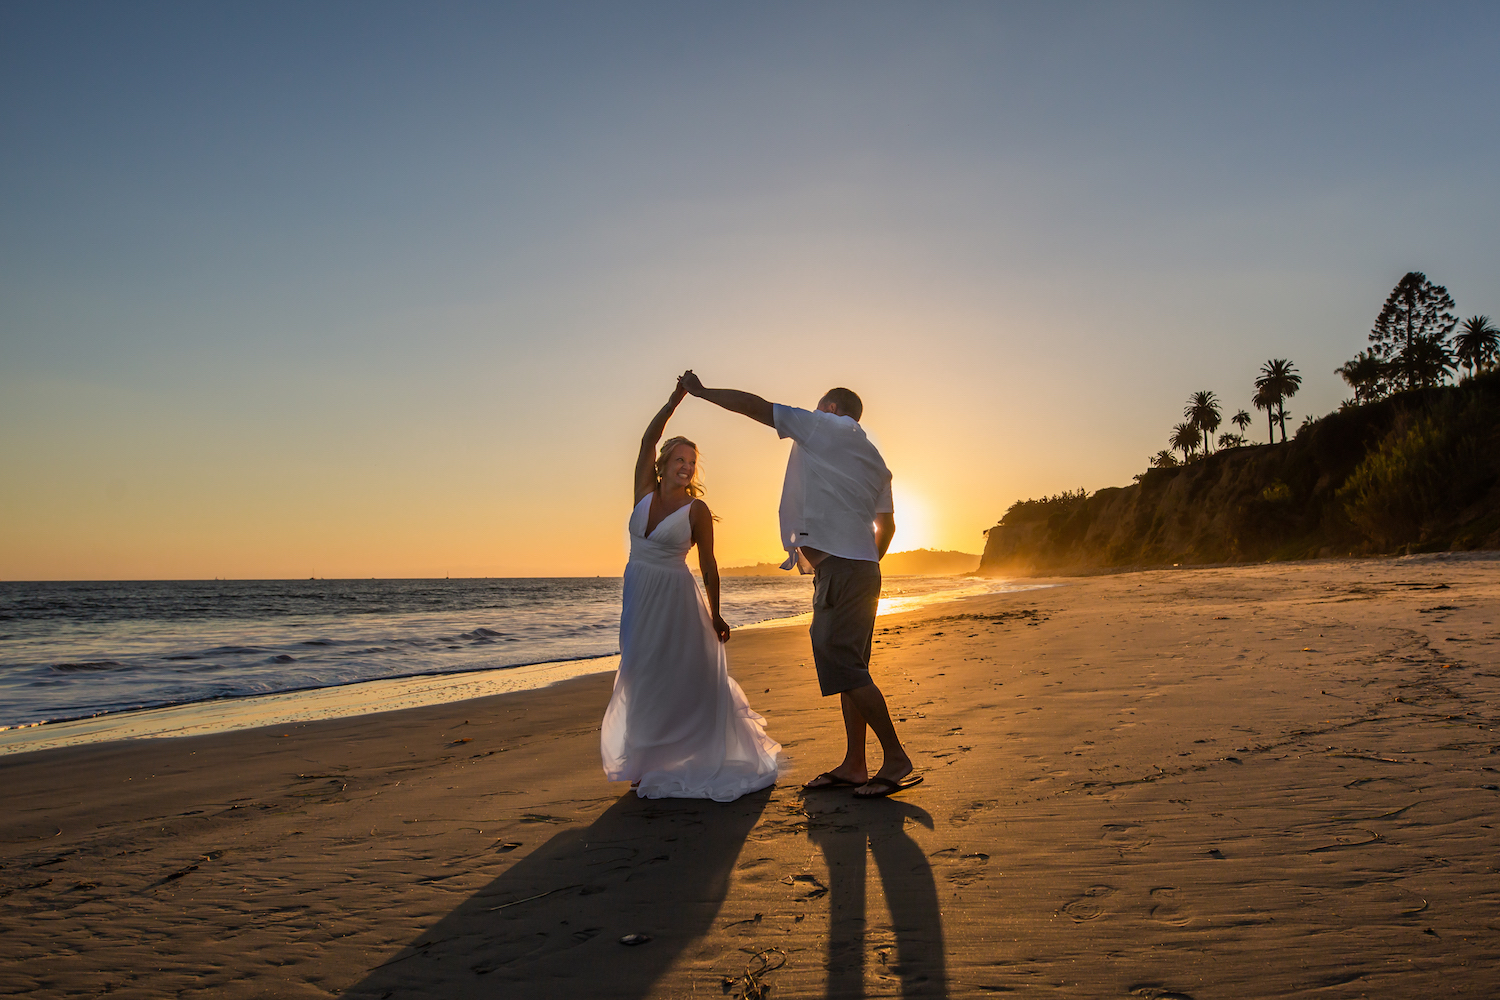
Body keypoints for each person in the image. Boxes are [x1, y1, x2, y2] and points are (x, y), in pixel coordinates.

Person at [677, 371, 920, 799]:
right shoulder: (875, 459)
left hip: (844, 571)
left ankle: (896, 757)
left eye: (817, 405)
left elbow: (755, 407)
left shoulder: (821, 426)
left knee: (841, 664)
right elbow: (889, 526)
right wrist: (863, 561)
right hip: (863, 570)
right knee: (852, 668)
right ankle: (854, 765)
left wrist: (702, 392)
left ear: (830, 408)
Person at [599, 383, 781, 801]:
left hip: (676, 600)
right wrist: (675, 400)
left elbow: (709, 566)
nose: (686, 467)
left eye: (692, 463)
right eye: (679, 459)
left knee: (678, 676)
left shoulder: (696, 511)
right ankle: (645, 761)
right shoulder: (643, 491)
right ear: (662, 463)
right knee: (641, 674)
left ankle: (678, 755)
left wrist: (716, 614)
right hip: (639, 594)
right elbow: (648, 438)